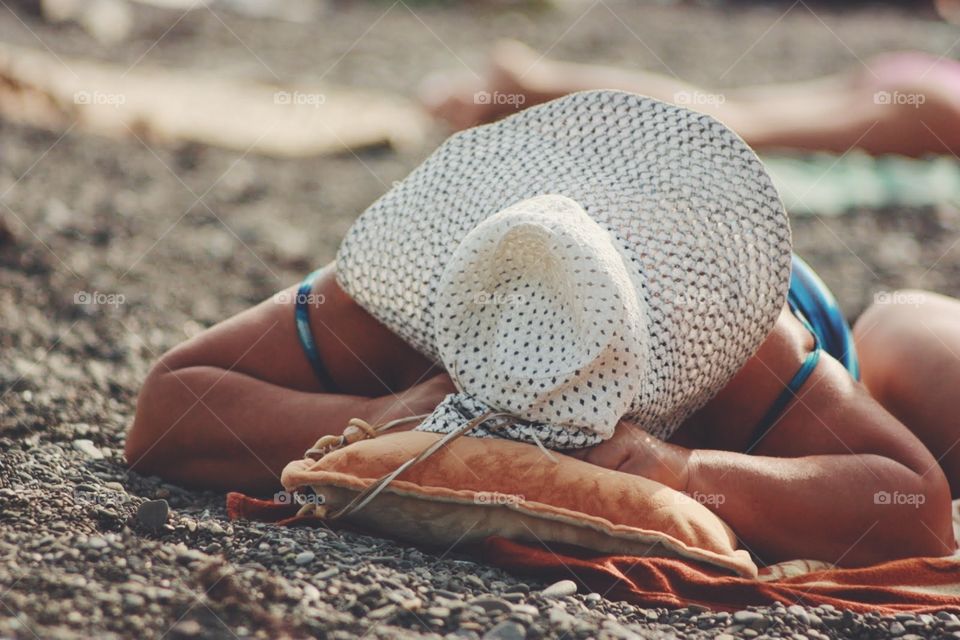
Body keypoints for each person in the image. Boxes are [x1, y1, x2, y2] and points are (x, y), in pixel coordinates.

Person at [126, 91, 958, 568]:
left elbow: (916, 505)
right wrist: (389, 418)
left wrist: (675, 466)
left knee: (907, 341)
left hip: (824, 328)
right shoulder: (394, 297)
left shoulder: (733, 342)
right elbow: (166, 410)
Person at [420, 40, 960, 157]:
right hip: (936, 97)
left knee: (729, 106)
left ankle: (533, 84)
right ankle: (530, 85)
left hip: (924, 81)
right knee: (735, 119)